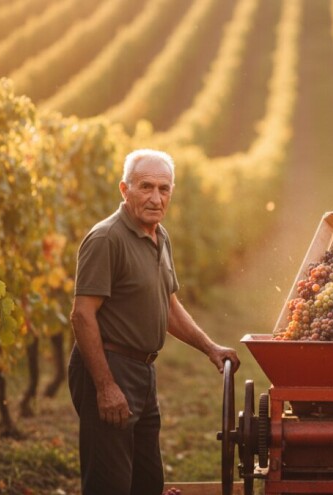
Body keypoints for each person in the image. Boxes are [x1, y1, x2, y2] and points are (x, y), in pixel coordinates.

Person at [68, 149, 240, 495]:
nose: (156, 197)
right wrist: (105, 386)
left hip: (144, 371)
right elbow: (82, 315)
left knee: (147, 482)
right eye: (146, 186)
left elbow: (169, 305)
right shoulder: (106, 238)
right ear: (124, 189)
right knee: (110, 483)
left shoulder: (160, 237)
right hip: (111, 366)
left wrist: (210, 348)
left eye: (164, 189)